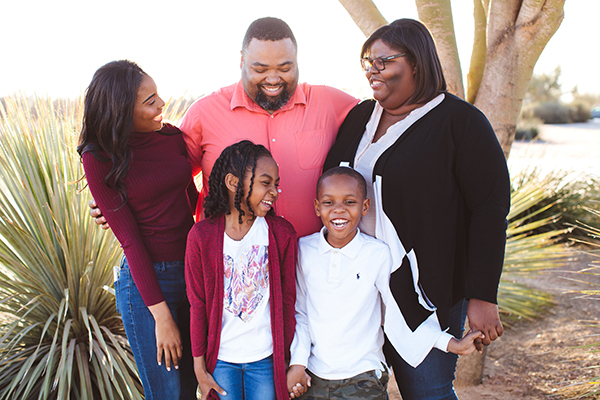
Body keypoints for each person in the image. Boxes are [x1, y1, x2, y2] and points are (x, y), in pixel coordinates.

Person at [323, 19, 511, 400]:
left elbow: (490, 210)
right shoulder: (361, 117)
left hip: (426, 291)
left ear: (417, 62)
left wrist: (482, 295)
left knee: (427, 390)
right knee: (351, 389)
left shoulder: (461, 123)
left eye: (382, 61)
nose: (372, 71)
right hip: (357, 287)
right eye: (367, 63)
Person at [91, 17, 358, 237]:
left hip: (311, 267)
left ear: (297, 62)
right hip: (228, 271)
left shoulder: (328, 102)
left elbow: (387, 116)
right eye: (261, 68)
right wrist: (116, 201)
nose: (274, 78)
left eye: (285, 67)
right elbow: (166, 173)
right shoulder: (204, 113)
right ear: (242, 61)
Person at [285, 167, 484, 400]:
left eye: (350, 202)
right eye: (329, 202)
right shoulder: (304, 250)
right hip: (314, 376)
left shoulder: (377, 254)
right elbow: (301, 312)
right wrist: (297, 363)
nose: (339, 210)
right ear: (318, 207)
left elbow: (400, 311)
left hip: (363, 377)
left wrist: (451, 344)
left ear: (365, 207)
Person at [77, 60, 198, 399]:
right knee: (167, 393)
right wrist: (161, 317)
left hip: (191, 272)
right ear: (120, 111)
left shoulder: (172, 138)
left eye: (158, 96)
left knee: (192, 388)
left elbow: (193, 201)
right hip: (147, 285)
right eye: (150, 101)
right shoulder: (98, 157)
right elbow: (130, 241)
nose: (162, 104)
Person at [185, 140, 297, 400]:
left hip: (267, 361)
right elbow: (198, 305)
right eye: (265, 183)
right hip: (221, 361)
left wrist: (287, 358)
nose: (275, 191)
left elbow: (289, 300)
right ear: (233, 183)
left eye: (276, 184)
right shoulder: (201, 237)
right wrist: (200, 368)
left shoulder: (281, 234)